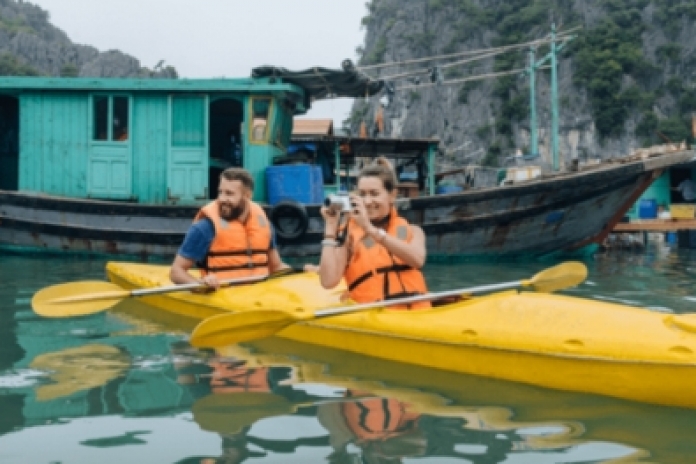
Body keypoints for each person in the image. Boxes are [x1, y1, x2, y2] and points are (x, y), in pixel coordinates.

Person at [318, 157, 429, 309]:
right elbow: (328, 281)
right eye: (362, 194)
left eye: (374, 194)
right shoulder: (349, 236)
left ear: (392, 195)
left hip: (418, 314)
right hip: (373, 316)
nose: (368, 201)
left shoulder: (414, 231)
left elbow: (417, 260)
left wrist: (370, 229)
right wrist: (330, 228)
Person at [170, 167, 289, 289]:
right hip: (222, 296)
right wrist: (200, 284)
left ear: (247, 195)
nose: (222, 199)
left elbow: (276, 267)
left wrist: (303, 274)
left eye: (229, 193)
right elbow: (176, 272)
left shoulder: (265, 225)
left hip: (259, 295)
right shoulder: (205, 227)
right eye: (220, 192)